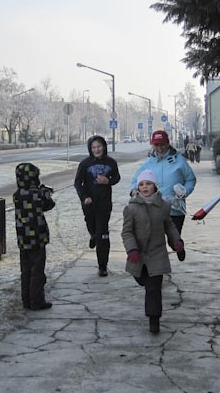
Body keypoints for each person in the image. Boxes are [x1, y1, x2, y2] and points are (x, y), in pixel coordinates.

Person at [122, 169, 183, 334]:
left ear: (155, 186)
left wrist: (176, 241)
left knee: (154, 288)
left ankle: (154, 319)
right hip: (138, 254)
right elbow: (127, 232)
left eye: (148, 183)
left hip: (157, 253)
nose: (145, 187)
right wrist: (132, 249)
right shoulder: (131, 208)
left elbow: (169, 226)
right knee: (143, 281)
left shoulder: (163, 206)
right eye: (141, 184)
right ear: (137, 188)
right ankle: (141, 278)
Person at [131, 130, 196, 260]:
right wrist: (134, 191)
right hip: (153, 208)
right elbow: (135, 181)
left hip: (175, 209)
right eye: (156, 145)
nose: (160, 148)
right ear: (152, 145)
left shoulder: (179, 160)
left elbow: (190, 179)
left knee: (173, 239)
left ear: (168, 143)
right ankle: (156, 264)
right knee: (154, 240)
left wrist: (184, 192)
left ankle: (178, 247)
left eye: (162, 144)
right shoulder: (148, 163)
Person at [74, 135, 121, 277]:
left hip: (104, 204)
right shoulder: (85, 163)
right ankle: (93, 235)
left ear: (104, 147)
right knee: (92, 227)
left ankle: (102, 266)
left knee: (103, 234)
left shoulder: (111, 162)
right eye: (94, 147)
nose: (97, 149)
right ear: (90, 149)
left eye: (99, 146)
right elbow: (77, 183)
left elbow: (117, 177)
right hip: (89, 203)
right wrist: (84, 197)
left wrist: (108, 181)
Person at [13, 162, 56, 310]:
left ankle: (26, 300)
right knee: (37, 272)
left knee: (26, 271)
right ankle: (37, 301)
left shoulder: (17, 195)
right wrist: (45, 193)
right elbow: (49, 205)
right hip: (37, 238)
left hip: (23, 239)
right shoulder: (38, 194)